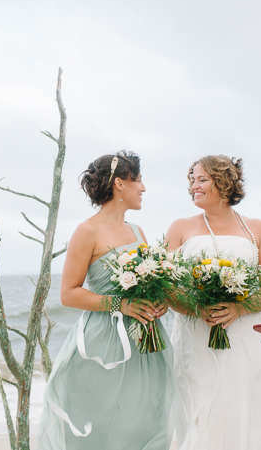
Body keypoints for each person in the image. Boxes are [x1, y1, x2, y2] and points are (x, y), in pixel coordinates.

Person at [37, 150, 176, 450]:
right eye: (138, 179)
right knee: (98, 423)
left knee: (143, 420)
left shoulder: (137, 231)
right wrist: (119, 305)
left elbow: (147, 281)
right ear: (119, 185)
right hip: (102, 340)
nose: (143, 187)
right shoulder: (87, 231)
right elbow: (69, 293)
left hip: (144, 340)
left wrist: (157, 301)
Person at [165, 155, 261, 450]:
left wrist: (239, 307)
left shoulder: (256, 228)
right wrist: (197, 306)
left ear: (224, 182)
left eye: (202, 179)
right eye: (192, 180)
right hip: (196, 334)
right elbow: (166, 283)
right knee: (202, 407)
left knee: (253, 402)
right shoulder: (180, 227)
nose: (194, 186)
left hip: (245, 333)